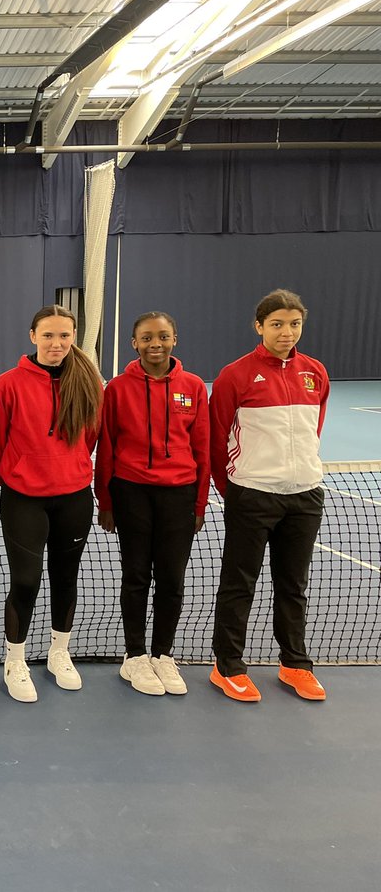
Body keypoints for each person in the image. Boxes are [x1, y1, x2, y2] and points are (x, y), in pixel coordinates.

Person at [209, 290, 329, 702]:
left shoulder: (315, 373)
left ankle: (295, 664)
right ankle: (227, 666)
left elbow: (313, 431)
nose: (287, 332)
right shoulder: (235, 375)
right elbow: (216, 438)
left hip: (305, 497)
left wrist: (299, 475)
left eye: (294, 324)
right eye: (277, 324)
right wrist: (235, 489)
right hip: (252, 496)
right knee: (239, 583)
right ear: (259, 327)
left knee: (293, 585)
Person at [0, 305, 103, 703]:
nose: (56, 344)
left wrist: (68, 470)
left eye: (65, 336)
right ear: (32, 336)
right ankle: (14, 660)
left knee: (66, 578)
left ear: (73, 338)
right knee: (26, 581)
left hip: (74, 498)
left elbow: (90, 437)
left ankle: (58, 653)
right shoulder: (8, 384)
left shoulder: (88, 382)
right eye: (48, 335)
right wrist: (19, 475)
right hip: (23, 500)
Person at [96, 312, 209, 696]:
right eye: (147, 338)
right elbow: (107, 446)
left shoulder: (193, 387)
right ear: (135, 343)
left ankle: (163, 655)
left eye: (162, 336)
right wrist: (105, 499)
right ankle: (135, 657)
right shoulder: (117, 389)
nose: (155, 343)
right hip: (131, 493)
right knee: (136, 576)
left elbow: (202, 448)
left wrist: (199, 504)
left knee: (172, 580)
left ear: (175, 339)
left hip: (180, 494)